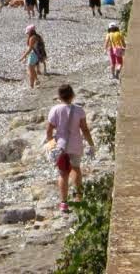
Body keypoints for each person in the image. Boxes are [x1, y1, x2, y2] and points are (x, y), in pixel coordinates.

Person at [45, 85, 96, 213]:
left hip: (61, 145)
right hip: (75, 144)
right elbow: (84, 129)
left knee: (63, 173)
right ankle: (79, 198)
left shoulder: (55, 110)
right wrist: (91, 144)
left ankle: (64, 203)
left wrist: (50, 142)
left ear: (59, 96)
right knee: (76, 169)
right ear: (72, 95)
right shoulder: (79, 110)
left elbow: (49, 129)